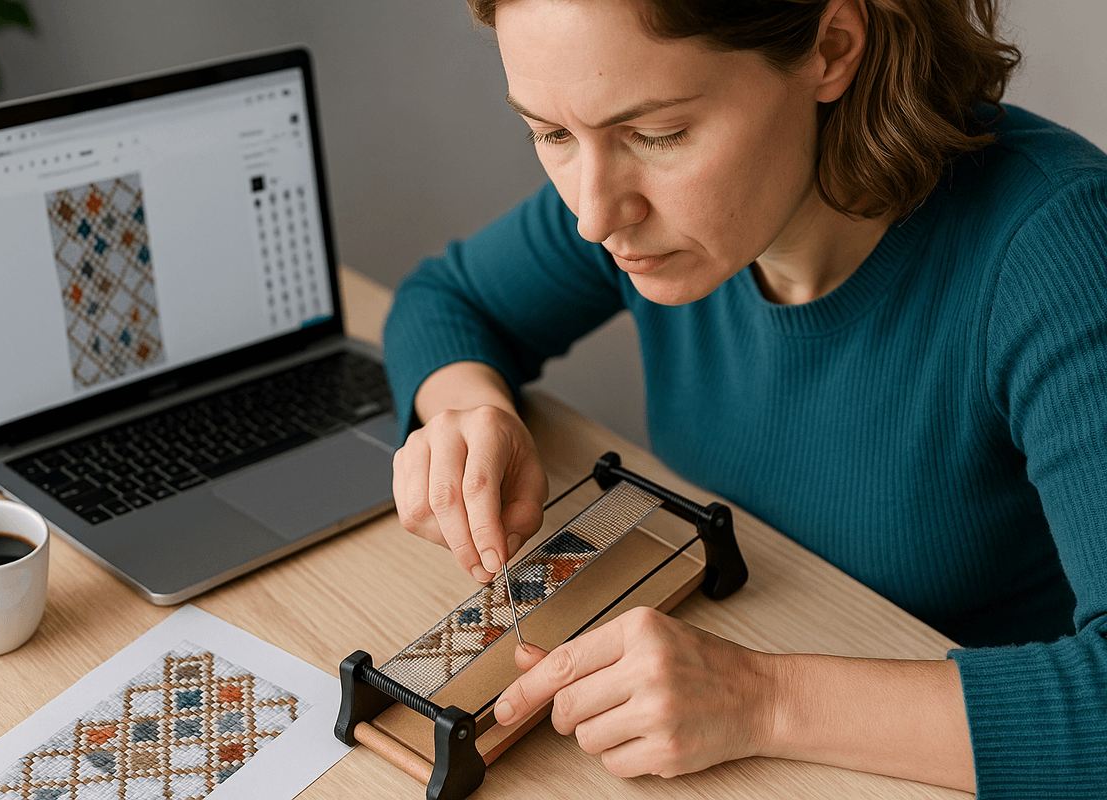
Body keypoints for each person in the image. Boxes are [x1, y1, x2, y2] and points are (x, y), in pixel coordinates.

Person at [382, 0, 1107, 796]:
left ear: (831, 48)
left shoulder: (1062, 248)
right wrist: (466, 412)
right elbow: (446, 301)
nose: (593, 217)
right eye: (551, 134)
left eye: (657, 136)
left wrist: (764, 698)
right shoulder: (647, 206)